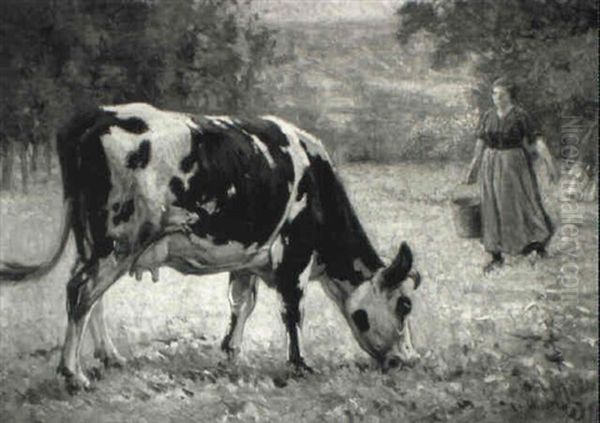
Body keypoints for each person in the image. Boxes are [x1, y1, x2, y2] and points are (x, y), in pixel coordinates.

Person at [464, 77, 558, 274]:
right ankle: (496, 254)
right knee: (492, 205)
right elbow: (480, 143)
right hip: (490, 163)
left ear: (510, 96)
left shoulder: (520, 116)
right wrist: (474, 167)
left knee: (519, 204)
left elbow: (537, 141)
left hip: (513, 164)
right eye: (494, 94)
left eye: (501, 94)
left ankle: (535, 244)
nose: (496, 98)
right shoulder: (488, 116)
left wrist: (550, 164)